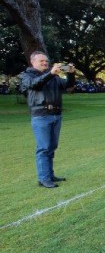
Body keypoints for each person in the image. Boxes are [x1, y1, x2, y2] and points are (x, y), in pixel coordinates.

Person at [19, 51, 76, 188]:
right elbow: (35, 85)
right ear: (33, 62)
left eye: (46, 61)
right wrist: (51, 73)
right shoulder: (26, 75)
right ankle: (43, 179)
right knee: (44, 148)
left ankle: (49, 175)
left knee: (51, 147)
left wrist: (71, 73)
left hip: (56, 114)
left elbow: (67, 86)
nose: (45, 63)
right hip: (41, 115)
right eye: (41, 61)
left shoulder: (53, 76)